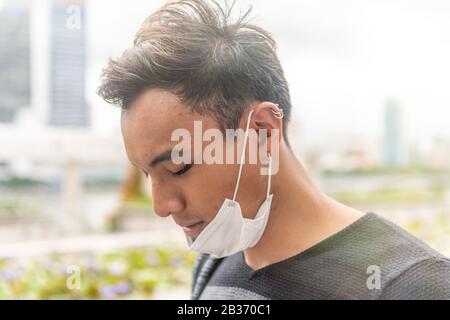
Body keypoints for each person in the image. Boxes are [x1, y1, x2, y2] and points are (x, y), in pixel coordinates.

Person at [97, 0, 450, 299]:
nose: (161, 205)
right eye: (147, 175)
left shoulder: (415, 285)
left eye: (179, 167)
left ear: (263, 132)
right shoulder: (215, 259)